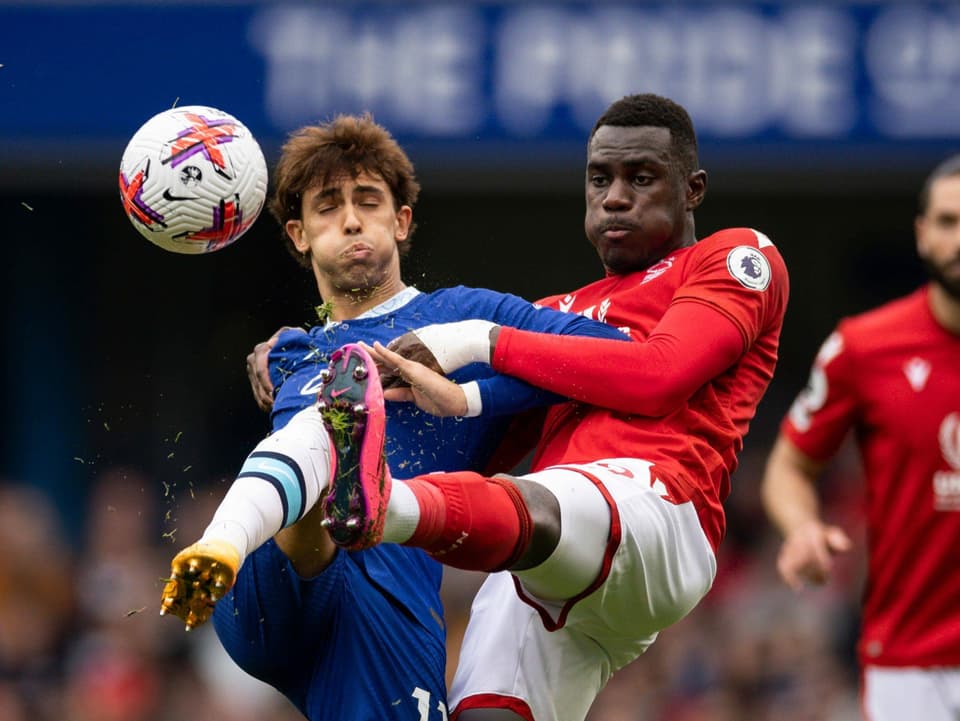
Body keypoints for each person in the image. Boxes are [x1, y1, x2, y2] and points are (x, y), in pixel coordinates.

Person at [309, 93, 790, 721]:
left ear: (692, 189)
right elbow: (486, 437)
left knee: (540, 496)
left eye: (640, 178)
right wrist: (302, 355)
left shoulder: (731, 258)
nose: (615, 196)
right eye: (600, 179)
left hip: (659, 512)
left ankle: (383, 505)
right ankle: (375, 500)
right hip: (550, 560)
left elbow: (659, 374)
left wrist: (483, 341)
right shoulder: (556, 313)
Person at [158, 114, 627, 721]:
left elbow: (611, 352)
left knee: (335, 455)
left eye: (368, 201)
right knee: (322, 432)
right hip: (264, 586)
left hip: (385, 588)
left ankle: (321, 486)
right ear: (298, 235)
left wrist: (469, 379)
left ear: (401, 221)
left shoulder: (463, 314)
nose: (351, 219)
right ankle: (243, 530)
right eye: (328, 207)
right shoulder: (294, 350)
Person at [760, 155, 960, 721]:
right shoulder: (863, 348)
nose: (959, 238)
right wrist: (801, 528)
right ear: (922, 234)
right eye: (947, 222)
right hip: (907, 660)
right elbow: (790, 466)